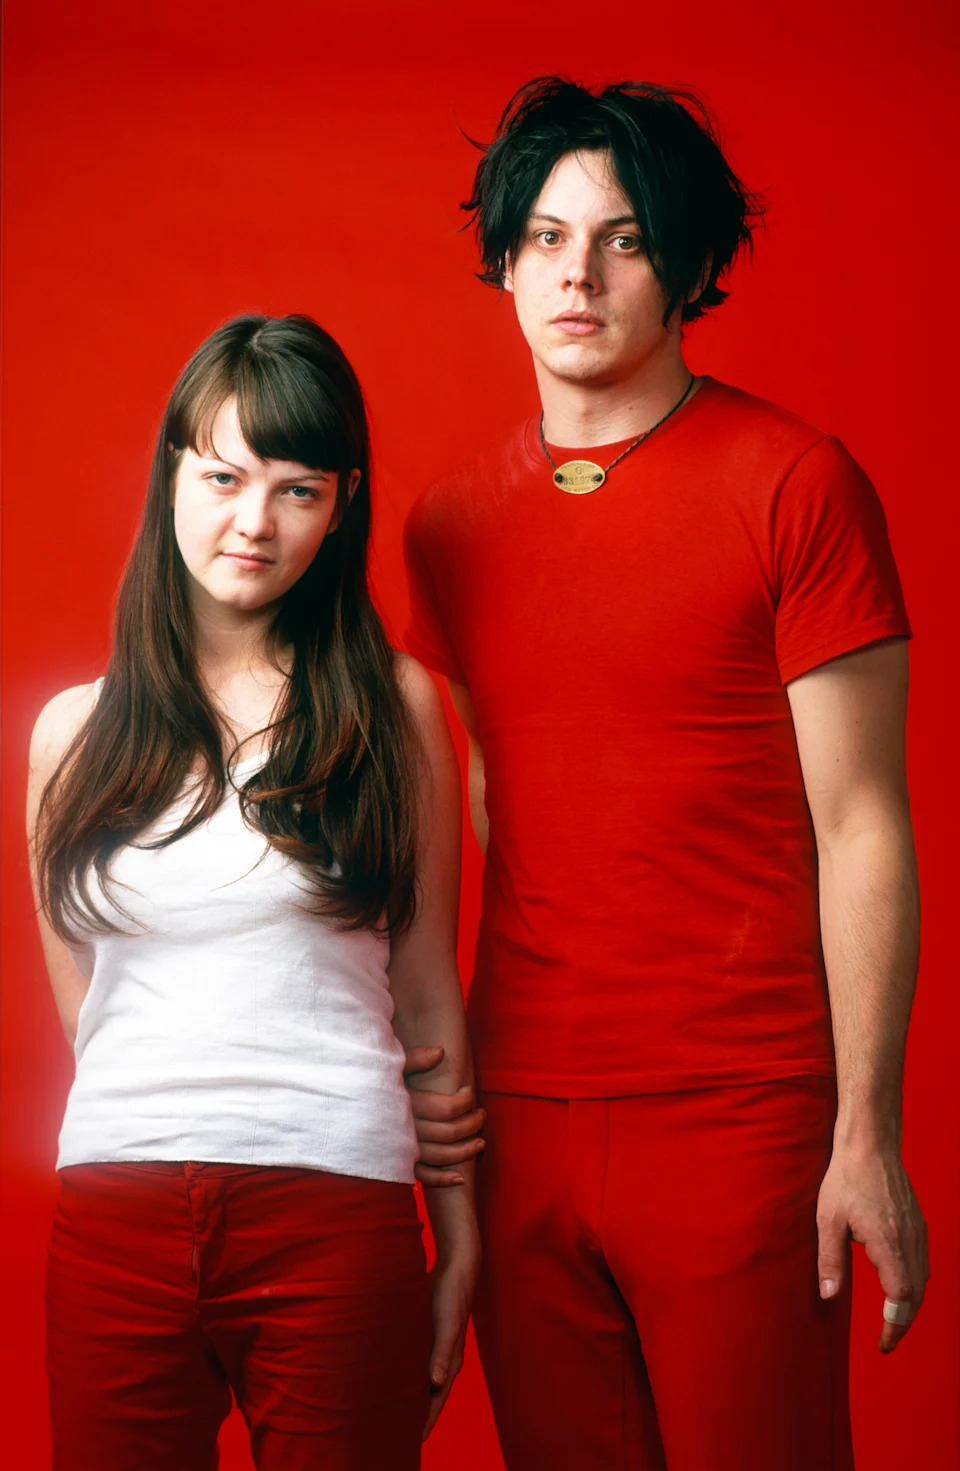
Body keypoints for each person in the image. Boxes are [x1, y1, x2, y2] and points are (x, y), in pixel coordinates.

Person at [403, 78, 929, 1470]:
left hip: (740, 1108)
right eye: (545, 237)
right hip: (521, 1121)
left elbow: (866, 820)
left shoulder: (796, 480)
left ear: (690, 265)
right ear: (504, 260)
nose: (576, 273)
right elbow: (487, 811)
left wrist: (863, 1126)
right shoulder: (446, 525)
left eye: (624, 240)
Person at [27, 313, 480, 1471]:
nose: (253, 522)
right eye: (224, 475)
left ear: (341, 508)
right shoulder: (69, 738)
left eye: (298, 490)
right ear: (171, 472)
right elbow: (89, 1009)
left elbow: (427, 996)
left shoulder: (396, 707)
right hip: (116, 1212)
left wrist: (459, 1234)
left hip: (335, 1206)